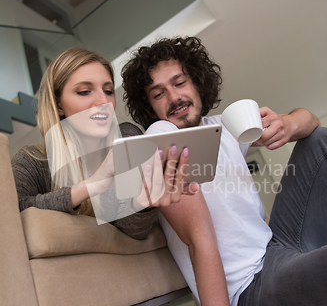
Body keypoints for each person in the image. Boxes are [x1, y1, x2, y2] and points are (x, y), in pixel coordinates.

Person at [121, 36, 327, 306]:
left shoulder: (226, 126)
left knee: (318, 139)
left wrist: (287, 122)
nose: (173, 98)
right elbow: (199, 239)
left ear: (198, 82)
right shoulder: (160, 139)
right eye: (158, 94)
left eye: (179, 82)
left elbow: (310, 121)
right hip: (253, 293)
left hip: (278, 248)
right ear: (149, 106)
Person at [12, 47, 198, 241]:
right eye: (84, 91)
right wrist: (91, 185)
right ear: (58, 105)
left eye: (108, 91)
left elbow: (133, 233)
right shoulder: (32, 161)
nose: (103, 101)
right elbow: (14, 217)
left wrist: (145, 205)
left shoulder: (126, 138)